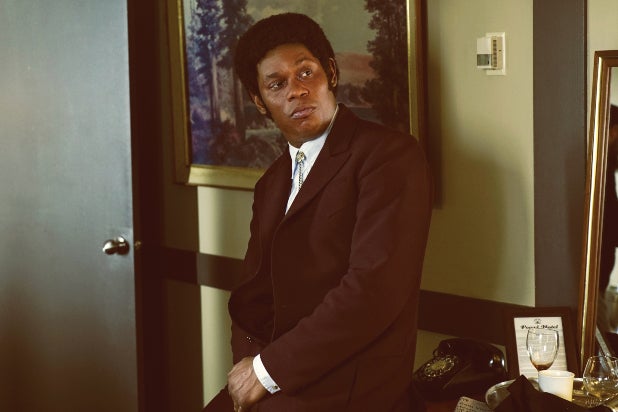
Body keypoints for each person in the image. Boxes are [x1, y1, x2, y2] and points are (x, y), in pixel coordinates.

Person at [204, 12, 433, 412]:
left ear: (331, 73)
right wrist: (248, 365)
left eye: (306, 72)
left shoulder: (390, 156)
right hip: (281, 376)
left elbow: (373, 292)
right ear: (259, 102)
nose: (297, 91)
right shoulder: (271, 182)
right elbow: (252, 295)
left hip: (351, 386)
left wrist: (265, 371)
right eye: (277, 84)